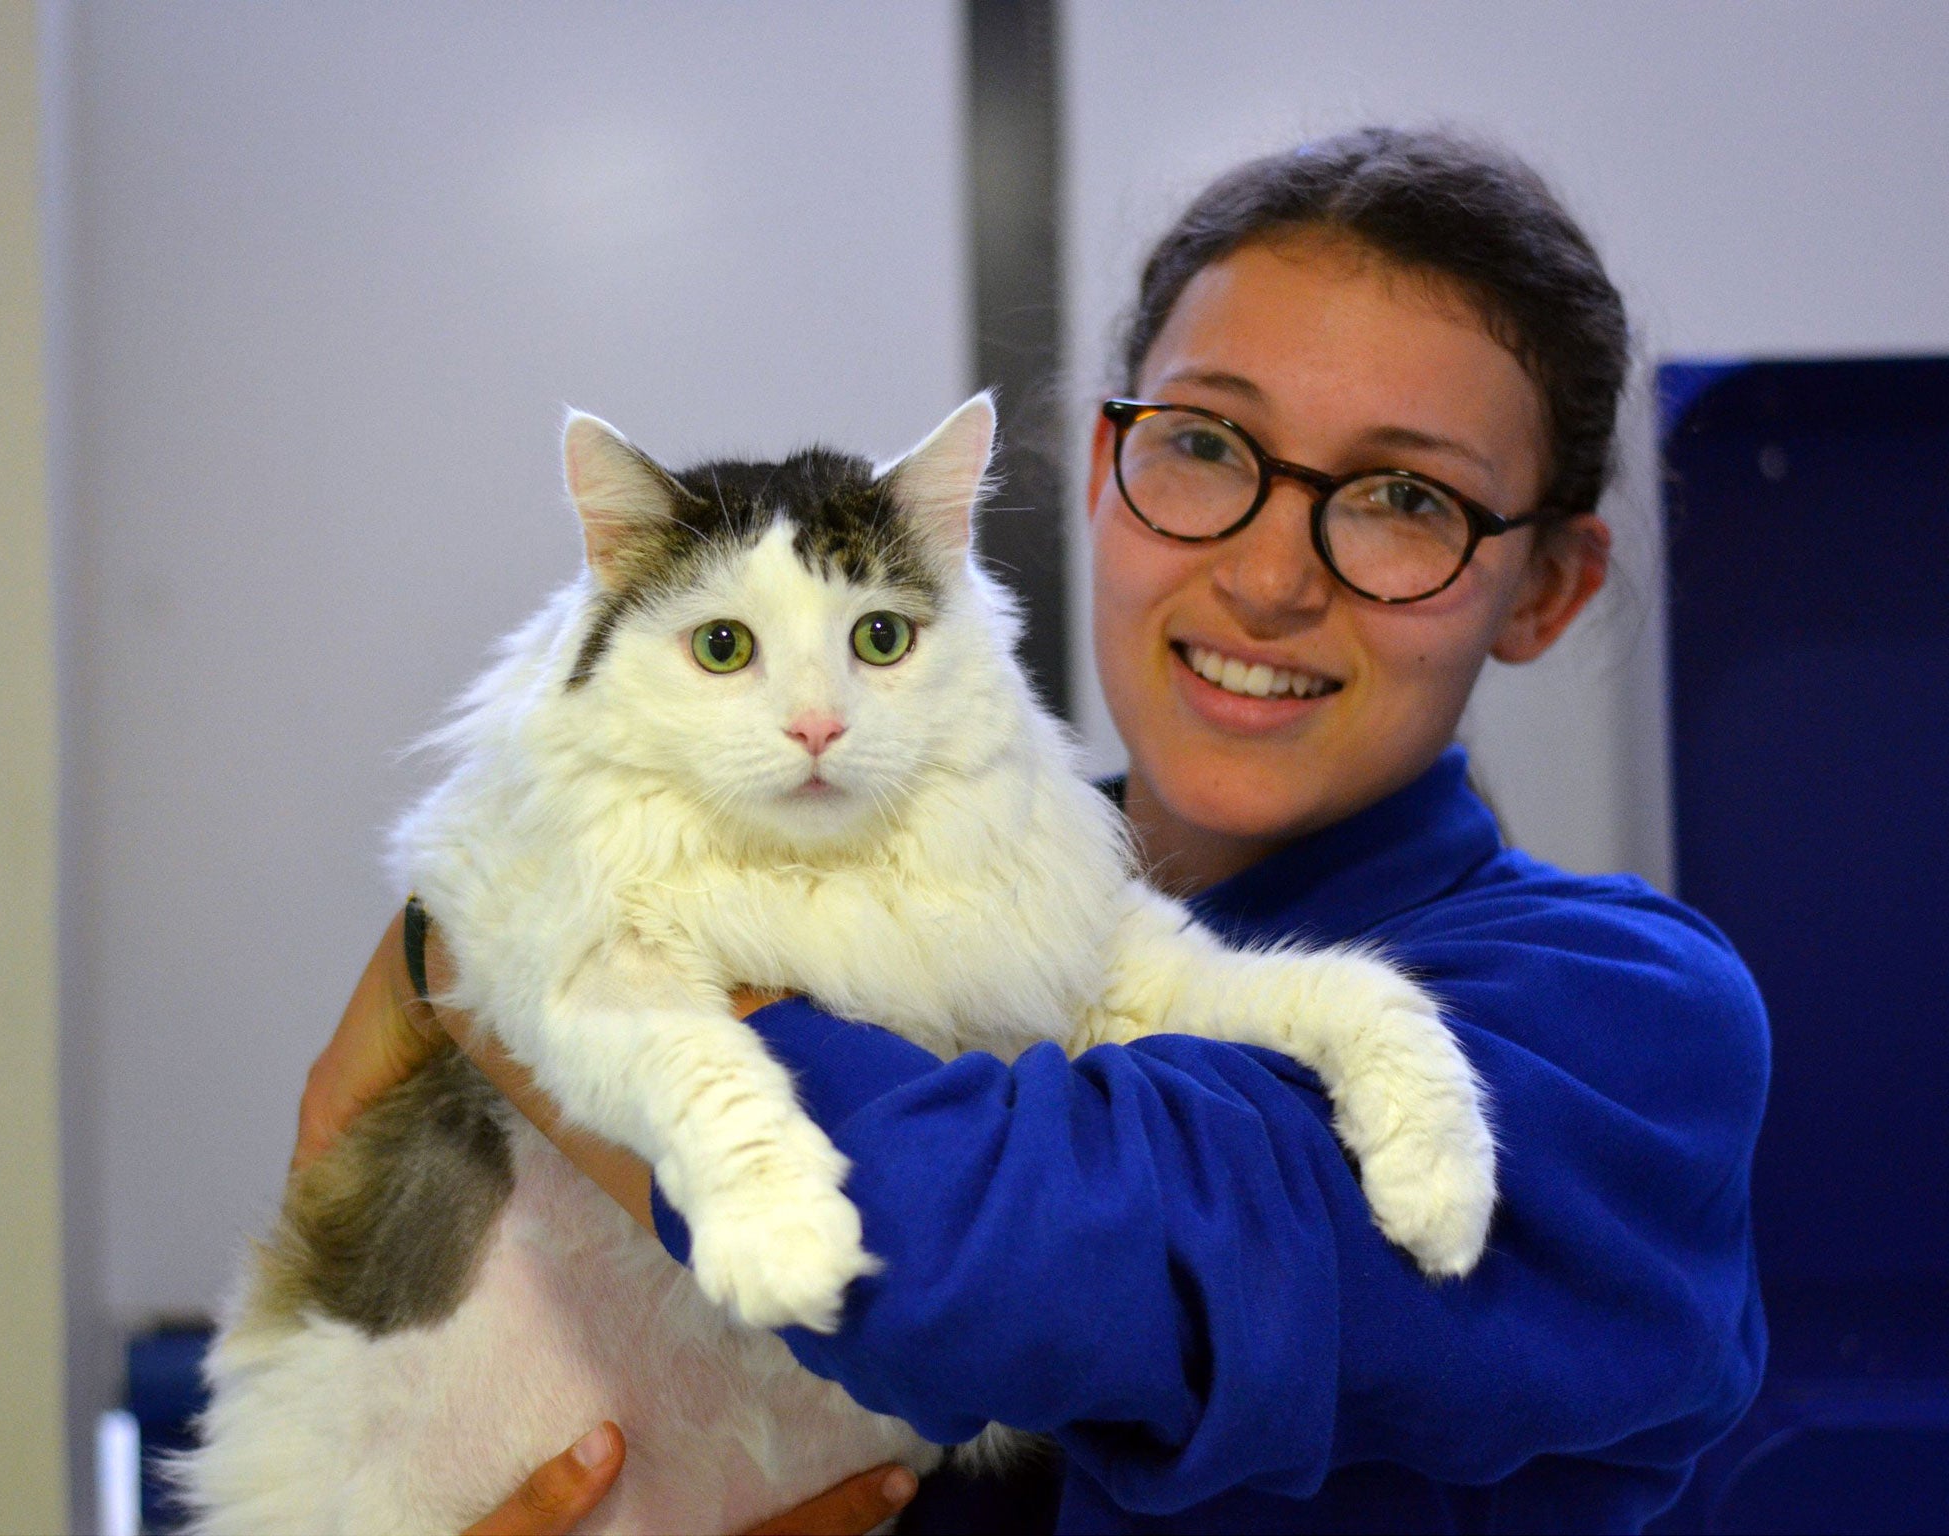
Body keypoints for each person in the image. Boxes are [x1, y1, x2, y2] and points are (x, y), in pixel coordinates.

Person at [295, 126, 1767, 1533]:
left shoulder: (1631, 1029)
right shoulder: (859, 885)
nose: (1267, 577)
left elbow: (981, 1257)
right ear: (1097, 477)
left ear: (1551, 588)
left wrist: (490, 952)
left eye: (1402, 496)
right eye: (1203, 444)